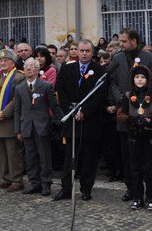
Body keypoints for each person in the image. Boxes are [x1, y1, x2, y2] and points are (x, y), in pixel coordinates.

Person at [108, 28, 152, 202]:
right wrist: (123, 100)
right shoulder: (117, 59)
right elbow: (113, 82)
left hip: (144, 113)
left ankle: (150, 192)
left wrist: (141, 102)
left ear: (134, 41)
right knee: (127, 156)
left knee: (147, 158)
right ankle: (131, 188)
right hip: (126, 115)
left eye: (123, 41)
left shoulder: (151, 58)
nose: (120, 44)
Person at [53, 39, 106, 202]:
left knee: (89, 158)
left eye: (87, 51)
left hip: (90, 121)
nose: (84, 54)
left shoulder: (99, 71)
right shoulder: (67, 69)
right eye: (81, 50)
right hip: (72, 119)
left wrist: (85, 111)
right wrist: (71, 109)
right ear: (75, 52)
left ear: (92, 53)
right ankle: (66, 189)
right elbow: (60, 90)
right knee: (70, 157)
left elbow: (100, 96)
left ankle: (86, 189)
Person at [117, 65, 152, 211]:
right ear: (133, 79)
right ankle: (138, 197)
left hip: (150, 136)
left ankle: (151, 197)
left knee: (150, 168)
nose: (140, 79)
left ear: (147, 79)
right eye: (137, 77)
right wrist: (130, 119)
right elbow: (119, 114)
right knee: (135, 168)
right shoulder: (127, 95)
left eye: (142, 77)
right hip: (133, 136)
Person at [14, 57, 62, 197]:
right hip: (26, 126)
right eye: (26, 66)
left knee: (44, 156)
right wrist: (18, 129)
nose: (28, 68)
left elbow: (54, 105)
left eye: (32, 66)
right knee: (30, 156)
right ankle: (34, 183)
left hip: (42, 126)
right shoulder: (19, 88)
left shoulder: (46, 86)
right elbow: (17, 110)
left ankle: (46, 183)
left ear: (37, 69)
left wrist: (61, 120)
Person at [0, 48, 26, 192]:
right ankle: (5, 177)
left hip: (9, 120)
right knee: (1, 152)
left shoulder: (19, 77)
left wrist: (4, 113)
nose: (2, 62)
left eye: (5, 60)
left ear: (12, 62)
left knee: (13, 151)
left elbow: (17, 99)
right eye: (0, 60)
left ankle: (16, 179)